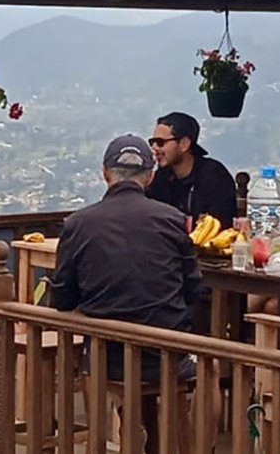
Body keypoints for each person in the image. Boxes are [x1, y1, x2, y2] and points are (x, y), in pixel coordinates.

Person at [51, 134, 206, 453]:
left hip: (106, 358)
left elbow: (62, 298)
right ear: (149, 177)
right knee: (211, 365)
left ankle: (130, 440)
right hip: (165, 357)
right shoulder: (172, 220)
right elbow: (194, 289)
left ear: (105, 173)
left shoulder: (78, 223)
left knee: (122, 369)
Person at [147, 112, 238, 228]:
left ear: (184, 144)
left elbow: (221, 224)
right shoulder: (161, 177)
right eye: (152, 142)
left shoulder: (214, 176)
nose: (154, 148)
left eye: (160, 143)